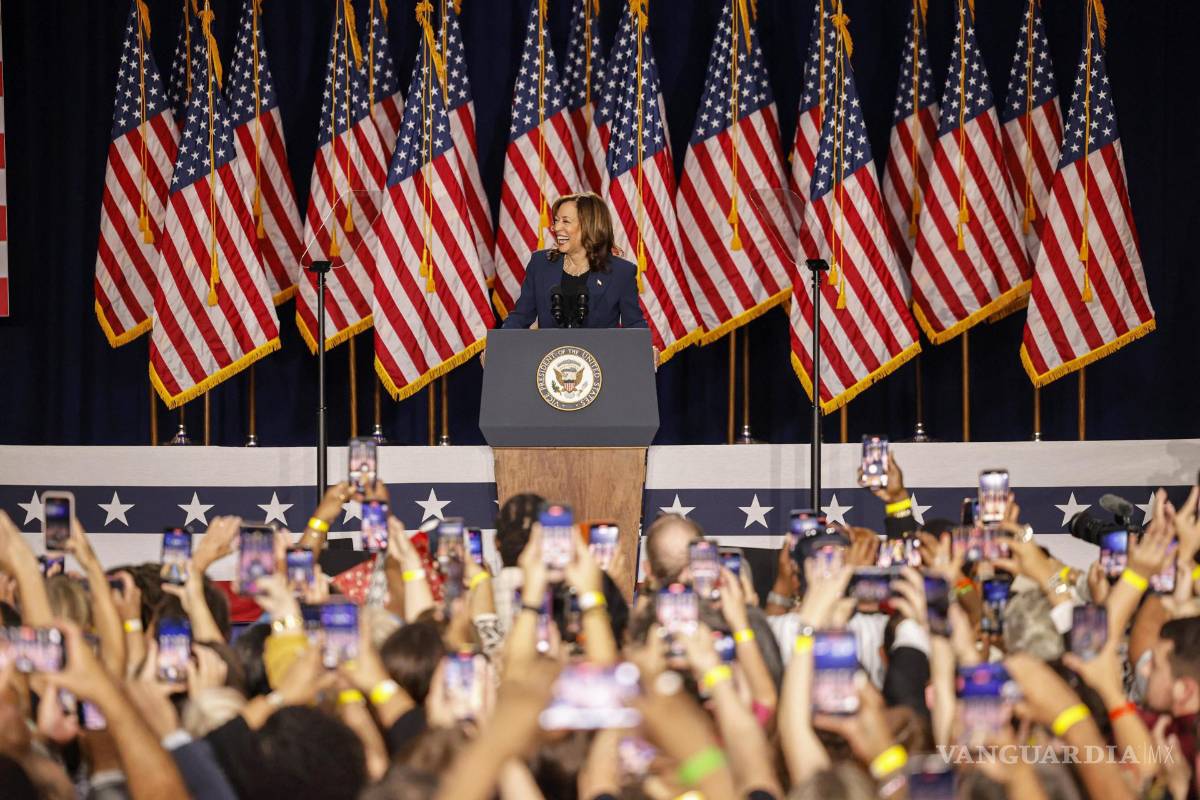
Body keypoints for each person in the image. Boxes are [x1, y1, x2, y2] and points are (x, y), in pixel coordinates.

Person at [500, 192, 647, 331]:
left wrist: (647, 348)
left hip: (598, 357)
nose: (556, 228)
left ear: (589, 226)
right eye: (556, 221)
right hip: (550, 356)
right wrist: (497, 346)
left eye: (565, 221)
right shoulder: (540, 264)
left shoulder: (621, 272)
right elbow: (520, 317)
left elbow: (634, 324)